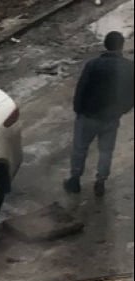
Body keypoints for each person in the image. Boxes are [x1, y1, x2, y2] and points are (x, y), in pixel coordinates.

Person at [63, 31, 134, 197]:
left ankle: (75, 180)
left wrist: (78, 109)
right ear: (121, 46)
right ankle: (101, 181)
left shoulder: (93, 65)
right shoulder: (130, 68)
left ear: (105, 45)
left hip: (88, 115)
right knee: (106, 151)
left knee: (80, 149)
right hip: (111, 117)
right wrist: (123, 109)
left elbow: (82, 89)